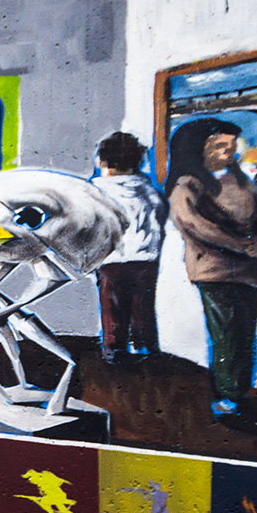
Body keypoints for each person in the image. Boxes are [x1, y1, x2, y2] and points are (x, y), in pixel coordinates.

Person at [164, 119, 257, 421]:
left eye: (232, 146)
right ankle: (228, 397)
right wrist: (249, 246)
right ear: (198, 149)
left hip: (248, 272)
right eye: (219, 146)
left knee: (244, 336)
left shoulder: (243, 182)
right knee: (227, 336)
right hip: (215, 271)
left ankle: (237, 394)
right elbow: (197, 227)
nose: (228, 152)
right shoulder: (187, 185)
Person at [92, 132, 166, 363]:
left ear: (101, 161)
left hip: (111, 259)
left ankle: (115, 350)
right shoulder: (148, 191)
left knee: (112, 307)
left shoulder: (96, 192)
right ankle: (143, 346)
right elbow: (159, 219)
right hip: (145, 259)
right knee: (142, 305)